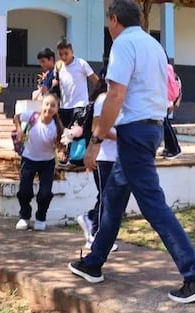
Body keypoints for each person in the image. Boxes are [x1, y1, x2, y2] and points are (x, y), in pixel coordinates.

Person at [68, 0, 195, 305]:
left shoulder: (122, 44)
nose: (108, 27)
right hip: (151, 128)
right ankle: (93, 263)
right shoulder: (153, 45)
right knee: (112, 198)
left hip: (134, 131)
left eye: (108, 22)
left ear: (113, 20)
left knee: (152, 205)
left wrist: (94, 143)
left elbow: (116, 95)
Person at [76, 69, 120, 251]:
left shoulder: (119, 100)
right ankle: (94, 234)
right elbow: (97, 127)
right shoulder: (103, 100)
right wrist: (122, 137)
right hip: (103, 157)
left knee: (110, 198)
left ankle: (91, 219)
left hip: (116, 157)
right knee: (106, 198)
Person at [12, 93, 64, 231]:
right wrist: (19, 130)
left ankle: (41, 218)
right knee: (24, 190)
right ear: (41, 106)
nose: (49, 108)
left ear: (57, 109)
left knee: (45, 193)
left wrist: (59, 146)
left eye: (53, 106)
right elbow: (16, 117)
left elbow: (60, 146)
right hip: (28, 159)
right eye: (47, 104)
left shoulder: (57, 127)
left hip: (47, 162)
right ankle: (24, 216)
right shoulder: (32, 116)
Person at [55, 38, 99, 128]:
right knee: (65, 137)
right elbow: (56, 84)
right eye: (60, 54)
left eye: (66, 53)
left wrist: (97, 97)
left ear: (72, 51)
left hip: (80, 105)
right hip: (64, 107)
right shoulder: (59, 66)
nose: (63, 57)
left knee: (77, 135)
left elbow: (95, 80)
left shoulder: (81, 64)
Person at [160, 61, 182, 159]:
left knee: (164, 124)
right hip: (166, 99)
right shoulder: (168, 68)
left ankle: (174, 148)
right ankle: (170, 147)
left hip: (162, 98)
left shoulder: (162, 68)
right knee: (164, 123)